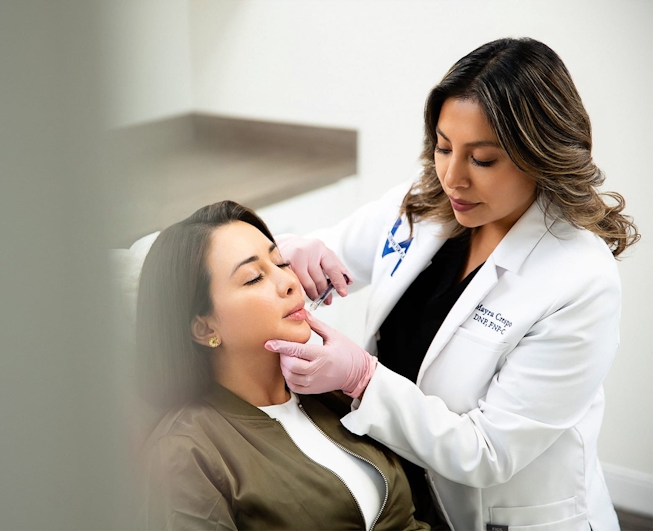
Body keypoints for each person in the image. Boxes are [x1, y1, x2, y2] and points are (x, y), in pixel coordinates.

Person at [265, 37, 640, 531]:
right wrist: (291, 251)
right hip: (405, 499)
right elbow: (326, 254)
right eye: (443, 148)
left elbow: (488, 453)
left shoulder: (579, 278)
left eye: (482, 160)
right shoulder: (423, 206)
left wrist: (361, 379)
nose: (452, 177)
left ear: (540, 155)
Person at [133, 201, 430, 530]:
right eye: (253, 278)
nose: (289, 283)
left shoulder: (333, 396)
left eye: (281, 262)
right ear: (204, 328)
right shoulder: (185, 453)